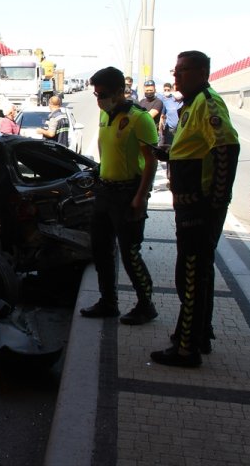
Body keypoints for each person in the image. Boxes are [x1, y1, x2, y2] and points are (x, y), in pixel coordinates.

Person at [150, 50, 240, 368]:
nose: (176, 77)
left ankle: (187, 349)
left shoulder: (208, 103)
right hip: (189, 206)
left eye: (183, 70)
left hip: (199, 210)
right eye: (175, 71)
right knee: (195, 274)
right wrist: (168, 155)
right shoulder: (190, 105)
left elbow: (227, 147)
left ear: (202, 72)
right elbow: (195, 150)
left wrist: (214, 202)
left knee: (189, 275)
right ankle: (197, 334)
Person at [79, 67, 159, 325]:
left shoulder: (139, 118)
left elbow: (151, 162)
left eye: (101, 93)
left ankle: (146, 305)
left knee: (130, 253)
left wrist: (140, 197)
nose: (98, 98)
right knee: (100, 250)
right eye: (95, 94)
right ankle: (108, 302)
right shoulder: (105, 114)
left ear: (117, 91)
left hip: (128, 193)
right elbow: (104, 146)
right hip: (106, 191)